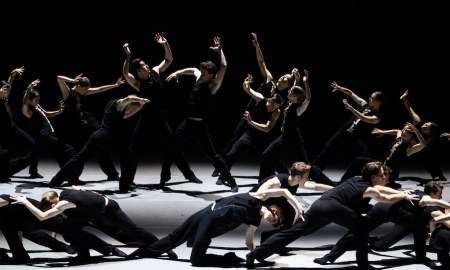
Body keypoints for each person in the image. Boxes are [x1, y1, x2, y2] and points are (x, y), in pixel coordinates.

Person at [245, 161, 419, 269]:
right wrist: (403, 195)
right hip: (333, 207)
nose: (384, 178)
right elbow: (385, 197)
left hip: (321, 203)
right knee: (362, 226)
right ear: (374, 176)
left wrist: (401, 191)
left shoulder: (357, 179)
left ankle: (255, 254)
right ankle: (363, 264)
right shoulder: (368, 188)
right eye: (382, 175)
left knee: (294, 232)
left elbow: (383, 189)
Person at [129, 188, 303, 267]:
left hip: (209, 225)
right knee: (174, 238)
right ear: (273, 209)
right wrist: (298, 206)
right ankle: (141, 252)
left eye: (273, 222)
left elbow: (250, 243)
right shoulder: (256, 197)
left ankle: (228, 258)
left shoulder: (253, 222)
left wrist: (263, 260)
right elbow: (284, 192)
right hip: (205, 212)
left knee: (196, 261)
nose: (271, 219)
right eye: (274, 216)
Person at [10, 188, 177, 264]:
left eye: (53, 206)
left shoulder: (64, 203)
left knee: (133, 230)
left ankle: (165, 247)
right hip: (90, 213)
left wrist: (25, 202)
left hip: (109, 209)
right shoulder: (64, 193)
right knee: (71, 231)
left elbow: (42, 216)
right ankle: (83, 256)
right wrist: (93, 194)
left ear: (56, 201)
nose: (54, 209)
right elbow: (78, 188)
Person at [122, 33, 202, 187]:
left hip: (160, 117)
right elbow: (125, 73)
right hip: (146, 117)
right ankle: (128, 180)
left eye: (145, 63)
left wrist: (165, 44)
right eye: (143, 65)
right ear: (139, 71)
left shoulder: (155, 71)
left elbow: (168, 60)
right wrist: (128, 55)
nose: (146, 65)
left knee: (173, 146)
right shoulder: (137, 82)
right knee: (134, 147)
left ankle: (189, 175)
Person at [160, 36, 239, 192]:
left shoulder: (213, 86)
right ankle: (164, 177)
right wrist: (177, 72)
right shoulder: (199, 77)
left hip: (200, 125)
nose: (201, 74)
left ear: (211, 75)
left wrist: (220, 50)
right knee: (172, 148)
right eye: (202, 72)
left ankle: (230, 181)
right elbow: (192, 70)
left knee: (213, 156)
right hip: (187, 123)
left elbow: (224, 65)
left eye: (204, 73)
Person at [213, 33, 296, 177]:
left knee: (266, 147)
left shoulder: (282, 97)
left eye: (286, 79)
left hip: (262, 120)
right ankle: (222, 168)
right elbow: (261, 62)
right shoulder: (269, 80)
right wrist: (257, 46)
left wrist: (296, 80)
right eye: (283, 76)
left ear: (288, 84)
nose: (282, 77)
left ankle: (281, 171)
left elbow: (294, 94)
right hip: (249, 113)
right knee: (235, 139)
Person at [313, 180, 450, 266]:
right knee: (419, 225)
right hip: (390, 212)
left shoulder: (416, 191)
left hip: (381, 207)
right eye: (439, 194)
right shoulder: (427, 199)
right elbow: (433, 202)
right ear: (432, 193)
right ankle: (421, 257)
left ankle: (329, 257)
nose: (441, 197)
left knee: (358, 231)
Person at [49, 95, 149, 191]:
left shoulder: (112, 104)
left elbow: (127, 114)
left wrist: (140, 106)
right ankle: (124, 186)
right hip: (107, 138)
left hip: (98, 136)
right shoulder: (119, 104)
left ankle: (55, 181)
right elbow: (128, 99)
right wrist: (142, 99)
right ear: (129, 104)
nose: (130, 110)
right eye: (132, 107)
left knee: (78, 159)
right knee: (127, 156)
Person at [0, 194, 127, 264]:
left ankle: (110, 249)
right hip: (24, 221)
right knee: (8, 226)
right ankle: (20, 256)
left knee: (74, 232)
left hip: (43, 213)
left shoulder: (4, 198)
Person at [258, 70, 335, 186]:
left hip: (294, 139)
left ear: (295, 96)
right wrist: (296, 79)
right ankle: (263, 182)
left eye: (291, 91)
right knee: (267, 155)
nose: (288, 91)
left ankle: (330, 184)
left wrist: (306, 83)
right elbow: (294, 90)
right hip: (284, 137)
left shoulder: (298, 109)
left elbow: (308, 99)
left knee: (307, 166)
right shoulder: (290, 101)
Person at [217, 74, 285, 185]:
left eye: (276, 107)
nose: (272, 108)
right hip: (250, 134)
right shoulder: (261, 99)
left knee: (271, 156)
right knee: (232, 154)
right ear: (269, 100)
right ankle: (223, 176)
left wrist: (251, 122)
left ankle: (285, 175)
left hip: (263, 137)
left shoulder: (276, 112)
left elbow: (267, 129)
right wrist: (246, 83)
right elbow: (248, 89)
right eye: (272, 105)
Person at [56, 73, 124, 181]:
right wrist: (73, 80)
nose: (86, 91)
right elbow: (59, 78)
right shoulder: (68, 93)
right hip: (75, 125)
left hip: (88, 121)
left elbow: (100, 89)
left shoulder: (84, 91)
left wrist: (115, 85)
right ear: (78, 86)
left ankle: (112, 174)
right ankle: (73, 177)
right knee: (79, 152)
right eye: (85, 89)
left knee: (102, 145)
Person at [313, 81, 387, 171]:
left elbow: (363, 118)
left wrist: (350, 108)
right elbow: (351, 93)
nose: (369, 99)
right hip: (344, 130)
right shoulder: (365, 104)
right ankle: (315, 169)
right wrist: (340, 88)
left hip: (353, 137)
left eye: (372, 98)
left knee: (364, 154)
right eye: (370, 97)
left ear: (378, 102)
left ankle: (360, 173)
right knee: (328, 148)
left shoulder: (377, 117)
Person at [340, 122, 427, 188]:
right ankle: (342, 182)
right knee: (358, 160)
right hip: (381, 165)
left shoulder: (409, 149)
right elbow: (397, 131)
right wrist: (383, 131)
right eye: (404, 129)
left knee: (372, 183)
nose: (403, 131)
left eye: (406, 130)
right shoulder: (399, 138)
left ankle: (391, 183)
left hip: (389, 172)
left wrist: (416, 130)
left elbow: (423, 145)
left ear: (411, 134)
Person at [22, 79, 75, 179]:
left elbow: (45, 113)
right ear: (29, 100)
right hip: (43, 135)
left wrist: (59, 111)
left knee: (33, 156)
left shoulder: (36, 106)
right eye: (36, 100)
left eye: (39, 100)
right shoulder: (27, 110)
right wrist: (29, 88)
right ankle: (67, 175)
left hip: (45, 135)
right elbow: (24, 104)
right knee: (63, 150)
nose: (38, 102)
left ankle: (30, 172)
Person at [400, 89, 446, 181]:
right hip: (406, 142)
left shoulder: (430, 136)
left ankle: (438, 174)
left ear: (428, 132)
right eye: (426, 124)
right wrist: (404, 99)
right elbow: (409, 109)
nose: (424, 126)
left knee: (429, 157)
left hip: (419, 145)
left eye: (426, 128)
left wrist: (415, 144)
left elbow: (423, 145)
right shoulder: (417, 121)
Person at [0, 67, 37, 180]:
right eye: (5, 90)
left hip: (13, 128)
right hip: (2, 131)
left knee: (33, 146)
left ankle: (10, 170)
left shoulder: (6, 96)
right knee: (5, 153)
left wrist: (12, 75)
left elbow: (8, 85)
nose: (8, 92)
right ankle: (3, 173)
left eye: (9, 90)